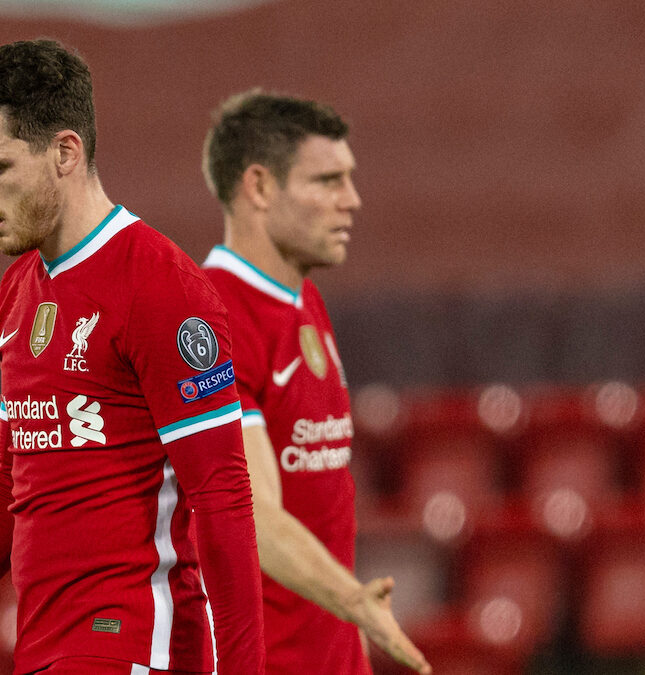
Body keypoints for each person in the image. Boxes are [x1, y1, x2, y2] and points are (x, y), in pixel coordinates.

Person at [0, 40, 265, 675]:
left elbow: (223, 496)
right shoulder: (18, 291)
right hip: (47, 650)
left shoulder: (160, 288)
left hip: (131, 645)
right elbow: (16, 484)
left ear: (66, 152)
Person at [199, 90, 431, 675]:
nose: (351, 201)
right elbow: (251, 514)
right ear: (259, 187)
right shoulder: (210, 320)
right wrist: (355, 600)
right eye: (328, 180)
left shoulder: (304, 301)